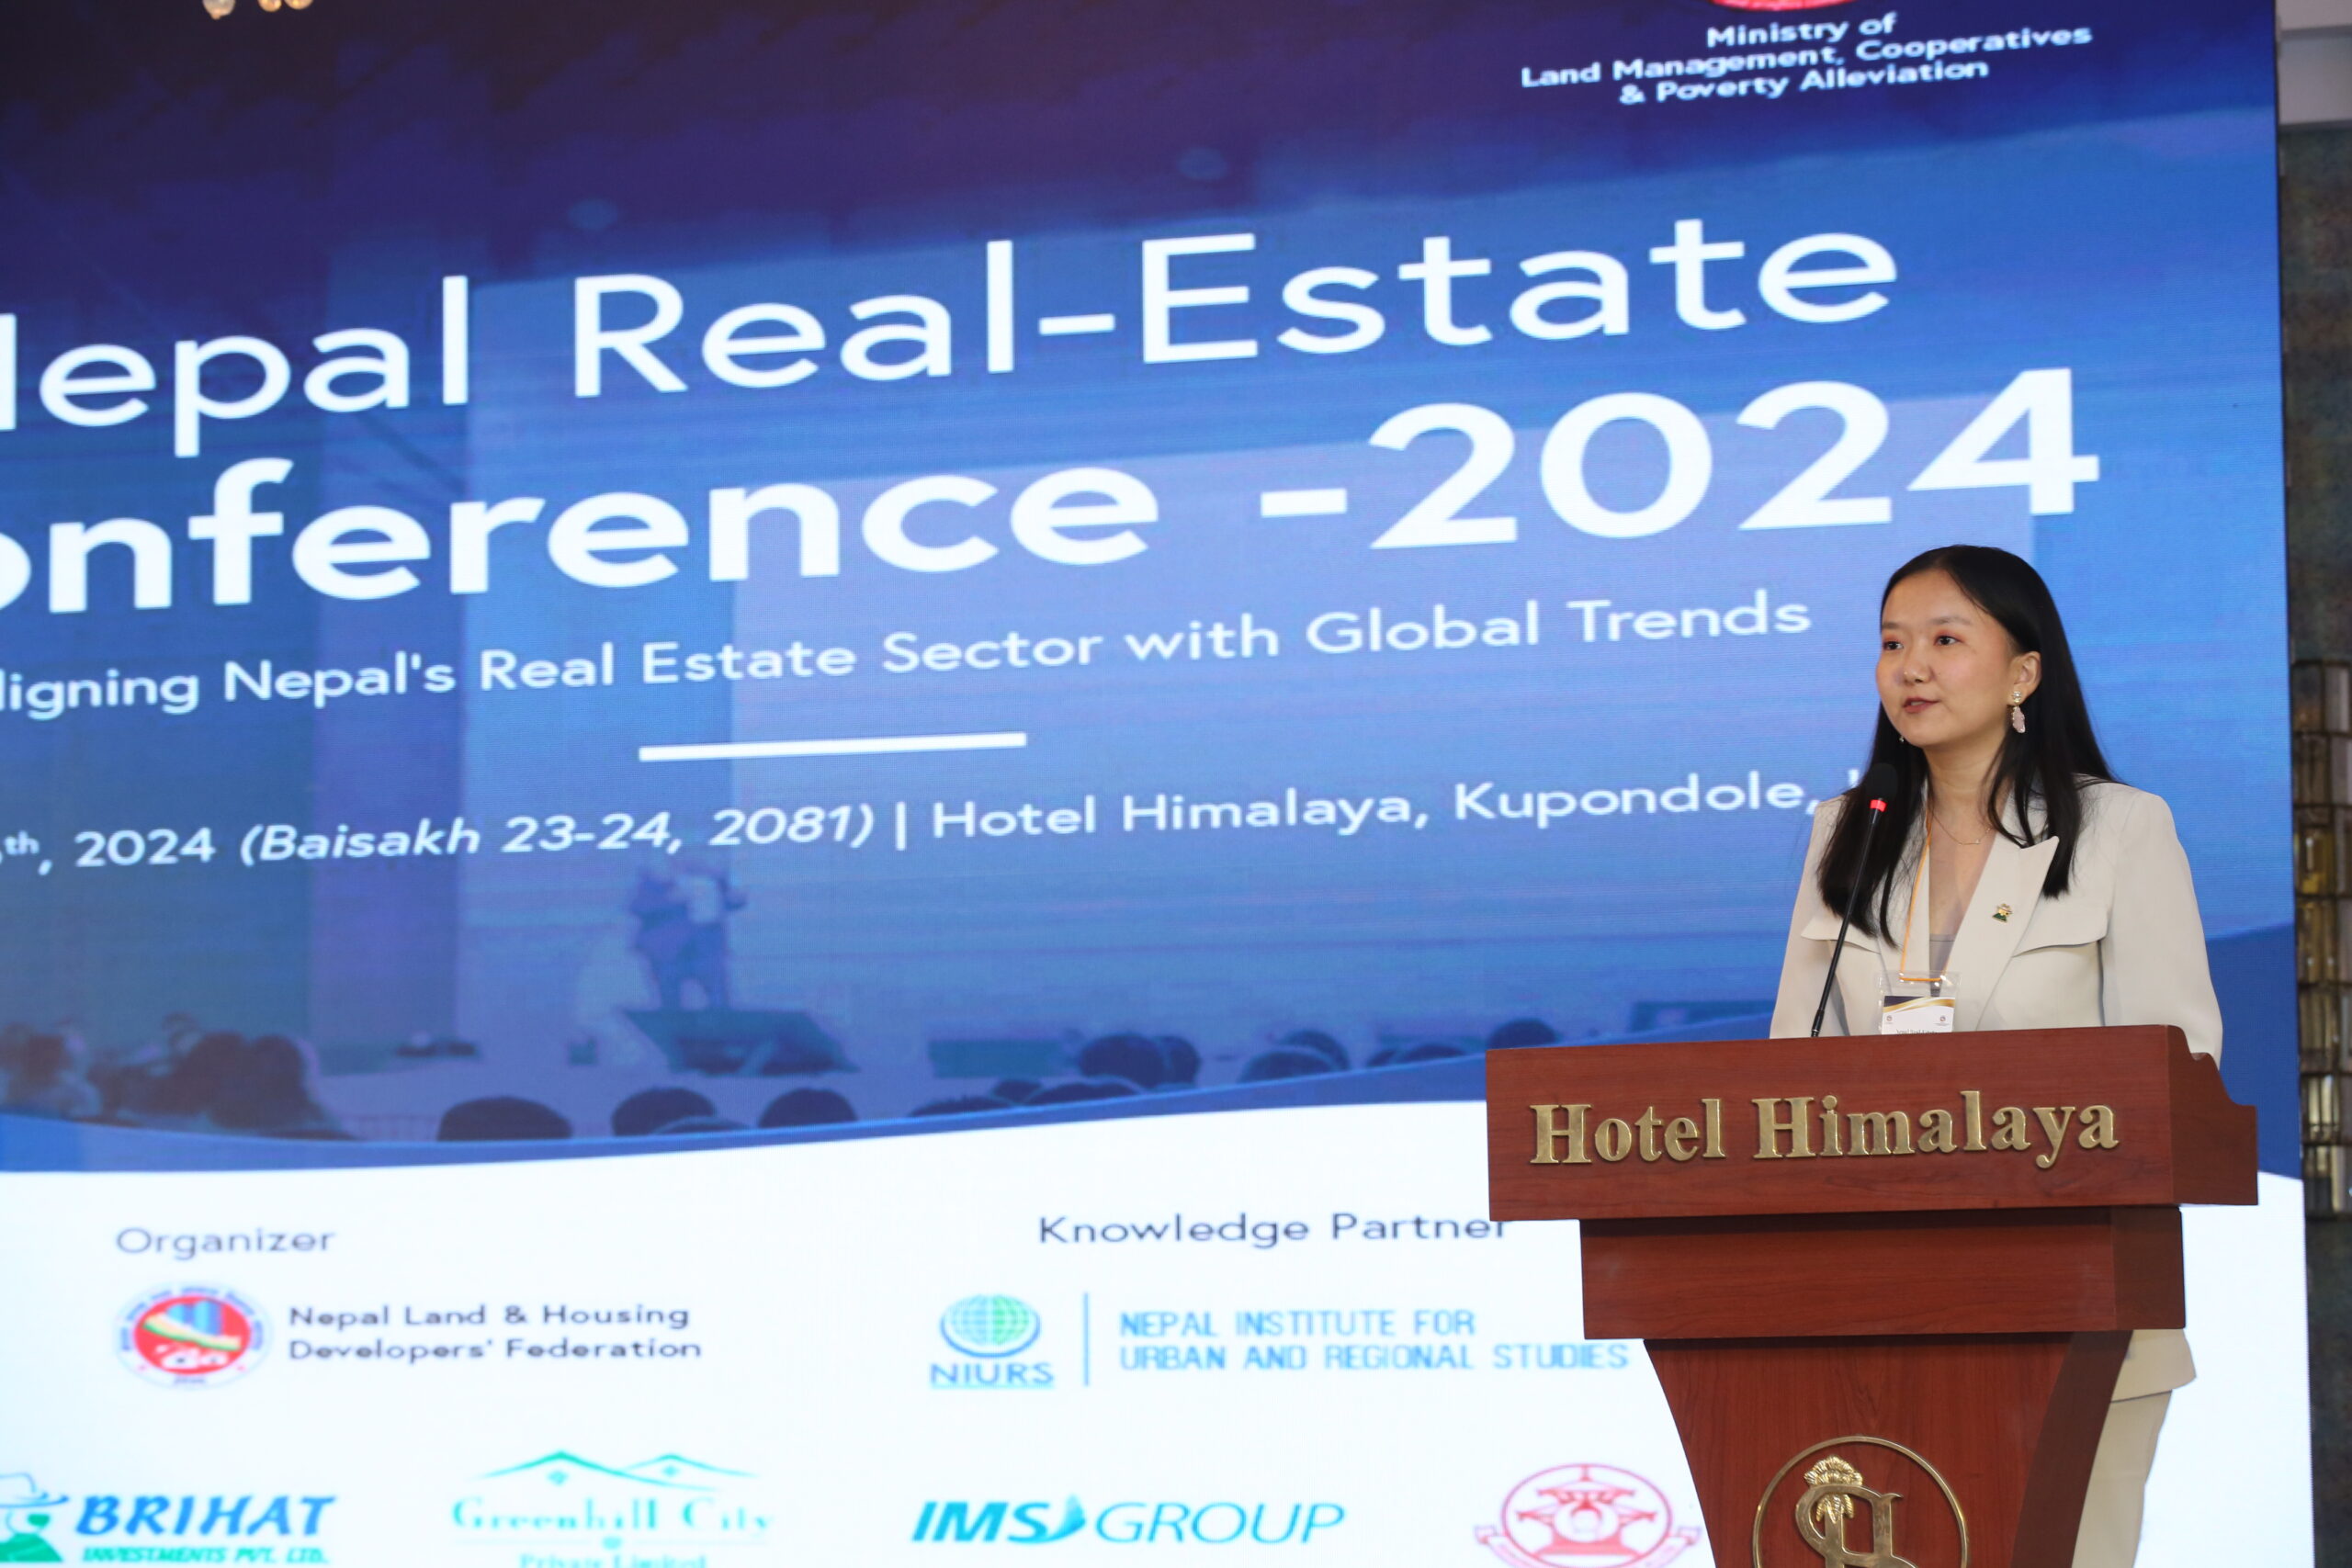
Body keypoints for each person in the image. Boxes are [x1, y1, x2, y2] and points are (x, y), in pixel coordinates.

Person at [1769, 545, 2220, 1568]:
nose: (1911, 667)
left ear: (2023, 673)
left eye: (1944, 639)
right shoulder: (1848, 833)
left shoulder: (2117, 830)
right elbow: (1790, 1075)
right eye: (1892, 643)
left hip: (2079, 1302)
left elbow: (2175, 1071)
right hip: (1875, 1310)